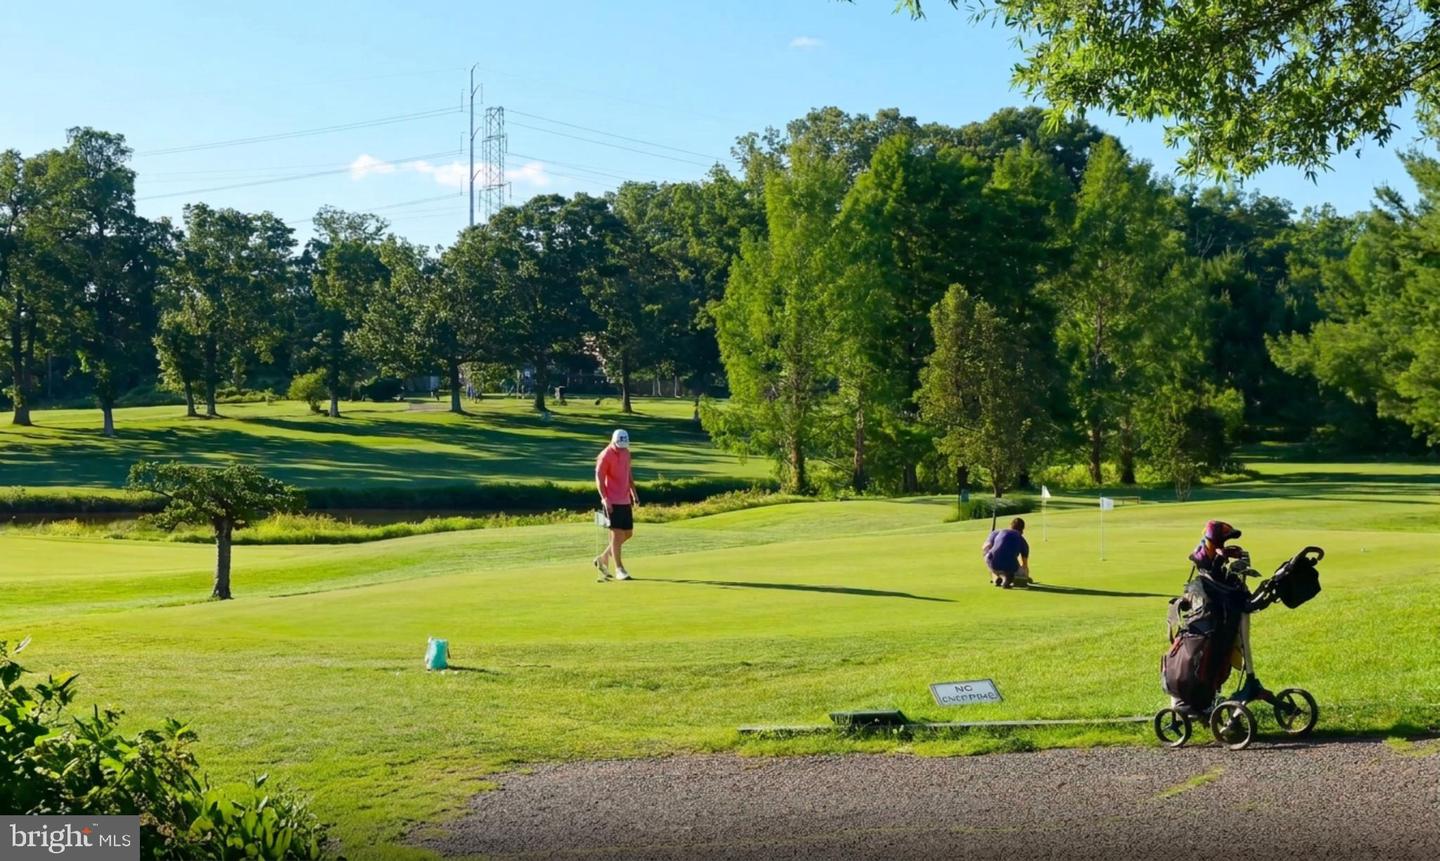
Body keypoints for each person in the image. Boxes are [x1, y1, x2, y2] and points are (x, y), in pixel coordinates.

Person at [594, 428, 639, 581]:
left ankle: (603, 558)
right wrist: (604, 499)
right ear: (613, 441)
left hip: (625, 499)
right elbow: (599, 478)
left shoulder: (626, 452)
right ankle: (619, 569)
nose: (622, 449)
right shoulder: (605, 456)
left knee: (628, 533)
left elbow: (628, 473)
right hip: (612, 500)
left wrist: (634, 493)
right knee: (617, 534)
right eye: (619, 446)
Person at [982, 517, 1031, 589]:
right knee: (1019, 575)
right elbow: (1025, 565)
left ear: (1010, 526)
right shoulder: (1022, 540)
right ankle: (1008, 578)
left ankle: (995, 576)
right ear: (1022, 530)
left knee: (988, 555)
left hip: (992, 563)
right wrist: (1026, 576)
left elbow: (985, 547)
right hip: (1010, 566)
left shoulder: (996, 533)